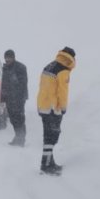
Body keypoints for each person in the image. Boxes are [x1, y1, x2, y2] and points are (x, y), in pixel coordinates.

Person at [36, 47, 76, 175]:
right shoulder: (63, 70)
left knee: (48, 135)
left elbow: (42, 86)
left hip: (43, 106)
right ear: (71, 58)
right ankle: (46, 165)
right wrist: (63, 108)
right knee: (52, 137)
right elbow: (62, 91)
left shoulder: (49, 66)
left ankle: (49, 162)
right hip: (53, 108)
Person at [1, 49, 28, 146]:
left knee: (19, 118)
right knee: (12, 119)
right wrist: (3, 97)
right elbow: (3, 84)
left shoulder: (20, 67)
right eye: (6, 58)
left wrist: (19, 96)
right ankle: (17, 136)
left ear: (13, 57)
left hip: (18, 98)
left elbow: (23, 84)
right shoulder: (5, 68)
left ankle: (21, 139)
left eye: (9, 57)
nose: (7, 59)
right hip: (9, 98)